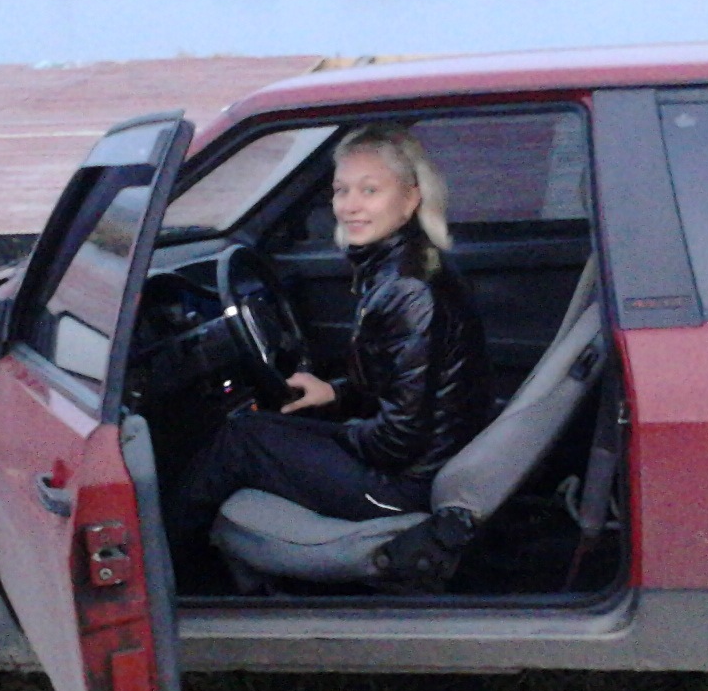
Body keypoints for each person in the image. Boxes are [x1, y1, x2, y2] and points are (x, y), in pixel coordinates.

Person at [167, 125, 492, 556]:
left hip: (402, 487)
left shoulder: (406, 289)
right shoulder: (406, 267)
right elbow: (397, 389)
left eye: (370, 190)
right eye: (341, 191)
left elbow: (400, 439)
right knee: (258, 428)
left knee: (240, 440)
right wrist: (334, 396)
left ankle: (167, 562)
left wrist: (335, 431)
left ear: (410, 199)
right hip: (421, 462)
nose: (349, 206)